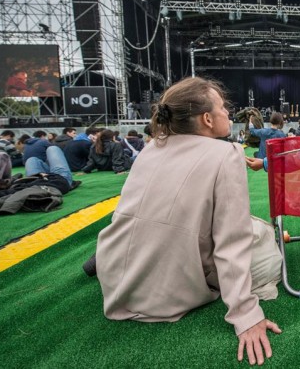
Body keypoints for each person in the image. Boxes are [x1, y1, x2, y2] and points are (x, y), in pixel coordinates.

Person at [94, 77, 282, 365]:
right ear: (207, 119)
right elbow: (232, 240)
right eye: (222, 108)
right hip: (168, 292)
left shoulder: (151, 147)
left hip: (116, 276)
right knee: (263, 242)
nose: (228, 113)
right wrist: (246, 315)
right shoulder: (225, 153)